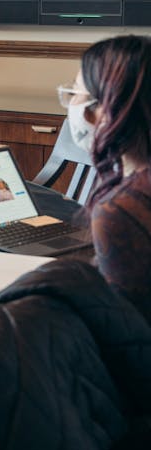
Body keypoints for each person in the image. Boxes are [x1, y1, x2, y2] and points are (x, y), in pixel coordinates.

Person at [59, 34, 151, 322]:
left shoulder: (123, 209)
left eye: (76, 93)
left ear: (103, 110)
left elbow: (126, 332)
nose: (72, 104)